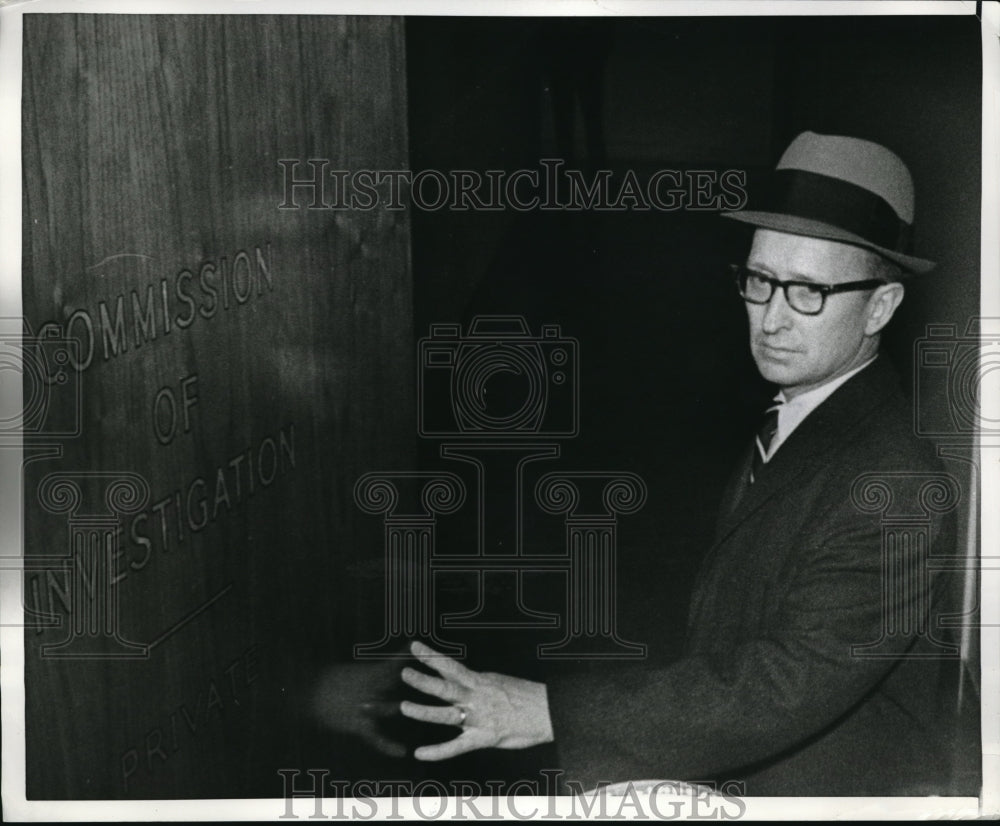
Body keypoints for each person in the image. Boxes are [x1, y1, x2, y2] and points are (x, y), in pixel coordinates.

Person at [395, 132, 969, 795]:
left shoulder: (895, 484)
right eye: (759, 281)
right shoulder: (805, 409)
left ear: (882, 306)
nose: (771, 319)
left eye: (807, 291)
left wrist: (550, 710)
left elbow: (779, 688)